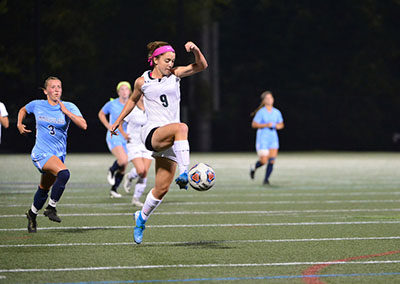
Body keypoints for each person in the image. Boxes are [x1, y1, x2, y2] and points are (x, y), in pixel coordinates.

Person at [110, 40, 208, 244]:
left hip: (173, 141)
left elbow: (201, 66)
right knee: (182, 126)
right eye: (166, 60)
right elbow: (131, 101)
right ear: (154, 60)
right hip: (152, 134)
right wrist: (118, 121)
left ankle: (141, 219)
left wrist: (196, 50)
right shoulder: (142, 81)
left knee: (161, 189)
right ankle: (185, 172)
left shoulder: (175, 75)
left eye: (172, 60)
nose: (170, 64)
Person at [17, 76, 87, 233]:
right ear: (45, 91)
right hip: (41, 153)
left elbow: (83, 125)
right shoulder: (37, 105)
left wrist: (66, 112)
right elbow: (23, 110)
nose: (57, 90)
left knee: (43, 189)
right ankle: (51, 208)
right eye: (53, 87)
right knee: (64, 174)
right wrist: (19, 123)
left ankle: (32, 214)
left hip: (58, 155)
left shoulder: (68, 106)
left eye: (59, 87)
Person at [98, 81, 131, 198]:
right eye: (121, 89)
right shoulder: (112, 104)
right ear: (118, 92)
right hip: (114, 136)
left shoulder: (132, 104)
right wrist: (108, 126)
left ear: (130, 91)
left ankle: (114, 189)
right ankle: (111, 170)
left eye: (126, 89)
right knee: (122, 160)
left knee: (124, 166)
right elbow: (101, 114)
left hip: (127, 138)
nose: (124, 91)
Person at [120, 95, 153, 207]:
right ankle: (129, 176)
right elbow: (119, 121)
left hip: (147, 144)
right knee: (141, 170)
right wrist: (124, 134)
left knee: (144, 173)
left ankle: (136, 199)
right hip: (133, 143)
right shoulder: (131, 108)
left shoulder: (151, 108)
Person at [250, 91, 284, 185]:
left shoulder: (277, 112)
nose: (270, 100)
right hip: (263, 139)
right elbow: (254, 124)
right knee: (264, 161)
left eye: (271, 98)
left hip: (273, 139)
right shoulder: (261, 112)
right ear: (264, 101)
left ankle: (266, 180)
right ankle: (254, 167)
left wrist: (278, 126)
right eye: (267, 98)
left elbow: (281, 124)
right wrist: (265, 125)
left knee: (272, 160)